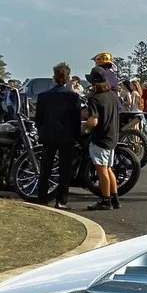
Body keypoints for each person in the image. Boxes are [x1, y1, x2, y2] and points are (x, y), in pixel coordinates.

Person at [33, 60, 83, 207]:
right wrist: (76, 136)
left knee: (46, 168)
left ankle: (42, 197)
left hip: (48, 134)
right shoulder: (73, 97)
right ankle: (61, 200)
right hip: (66, 136)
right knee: (64, 169)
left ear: (54, 77)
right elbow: (76, 120)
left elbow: (38, 119)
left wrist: (42, 129)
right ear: (67, 78)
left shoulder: (43, 96)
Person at [82, 65, 120, 210]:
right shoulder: (112, 95)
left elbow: (93, 121)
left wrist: (85, 128)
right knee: (109, 168)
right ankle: (114, 198)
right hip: (112, 136)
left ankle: (106, 200)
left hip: (101, 137)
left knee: (101, 169)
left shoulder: (95, 99)